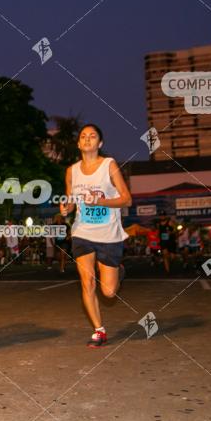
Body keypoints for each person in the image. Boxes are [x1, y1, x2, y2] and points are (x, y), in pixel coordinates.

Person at [60, 123, 131, 348]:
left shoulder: (109, 165)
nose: (87, 139)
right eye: (83, 136)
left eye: (92, 136)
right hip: (83, 232)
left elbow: (126, 199)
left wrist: (99, 200)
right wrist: (66, 208)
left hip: (109, 234)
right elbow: (70, 201)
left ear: (100, 143)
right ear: (79, 143)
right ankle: (99, 330)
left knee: (108, 292)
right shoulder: (72, 171)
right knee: (87, 281)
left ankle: (118, 272)